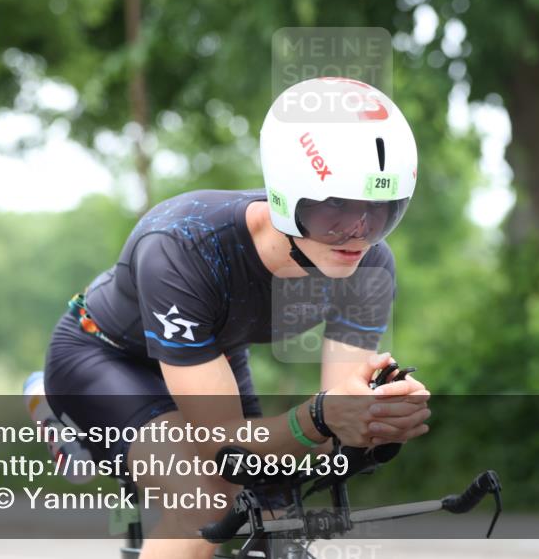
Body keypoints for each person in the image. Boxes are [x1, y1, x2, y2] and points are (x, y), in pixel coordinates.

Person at [43, 77, 431, 558]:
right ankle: (52, 411)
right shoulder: (181, 246)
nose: (360, 232)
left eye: (382, 210)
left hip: (215, 354)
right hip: (104, 356)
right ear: (287, 196)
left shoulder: (370, 265)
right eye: (338, 208)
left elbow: (336, 419)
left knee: (277, 507)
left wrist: (373, 421)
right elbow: (223, 447)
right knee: (207, 497)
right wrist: (318, 417)